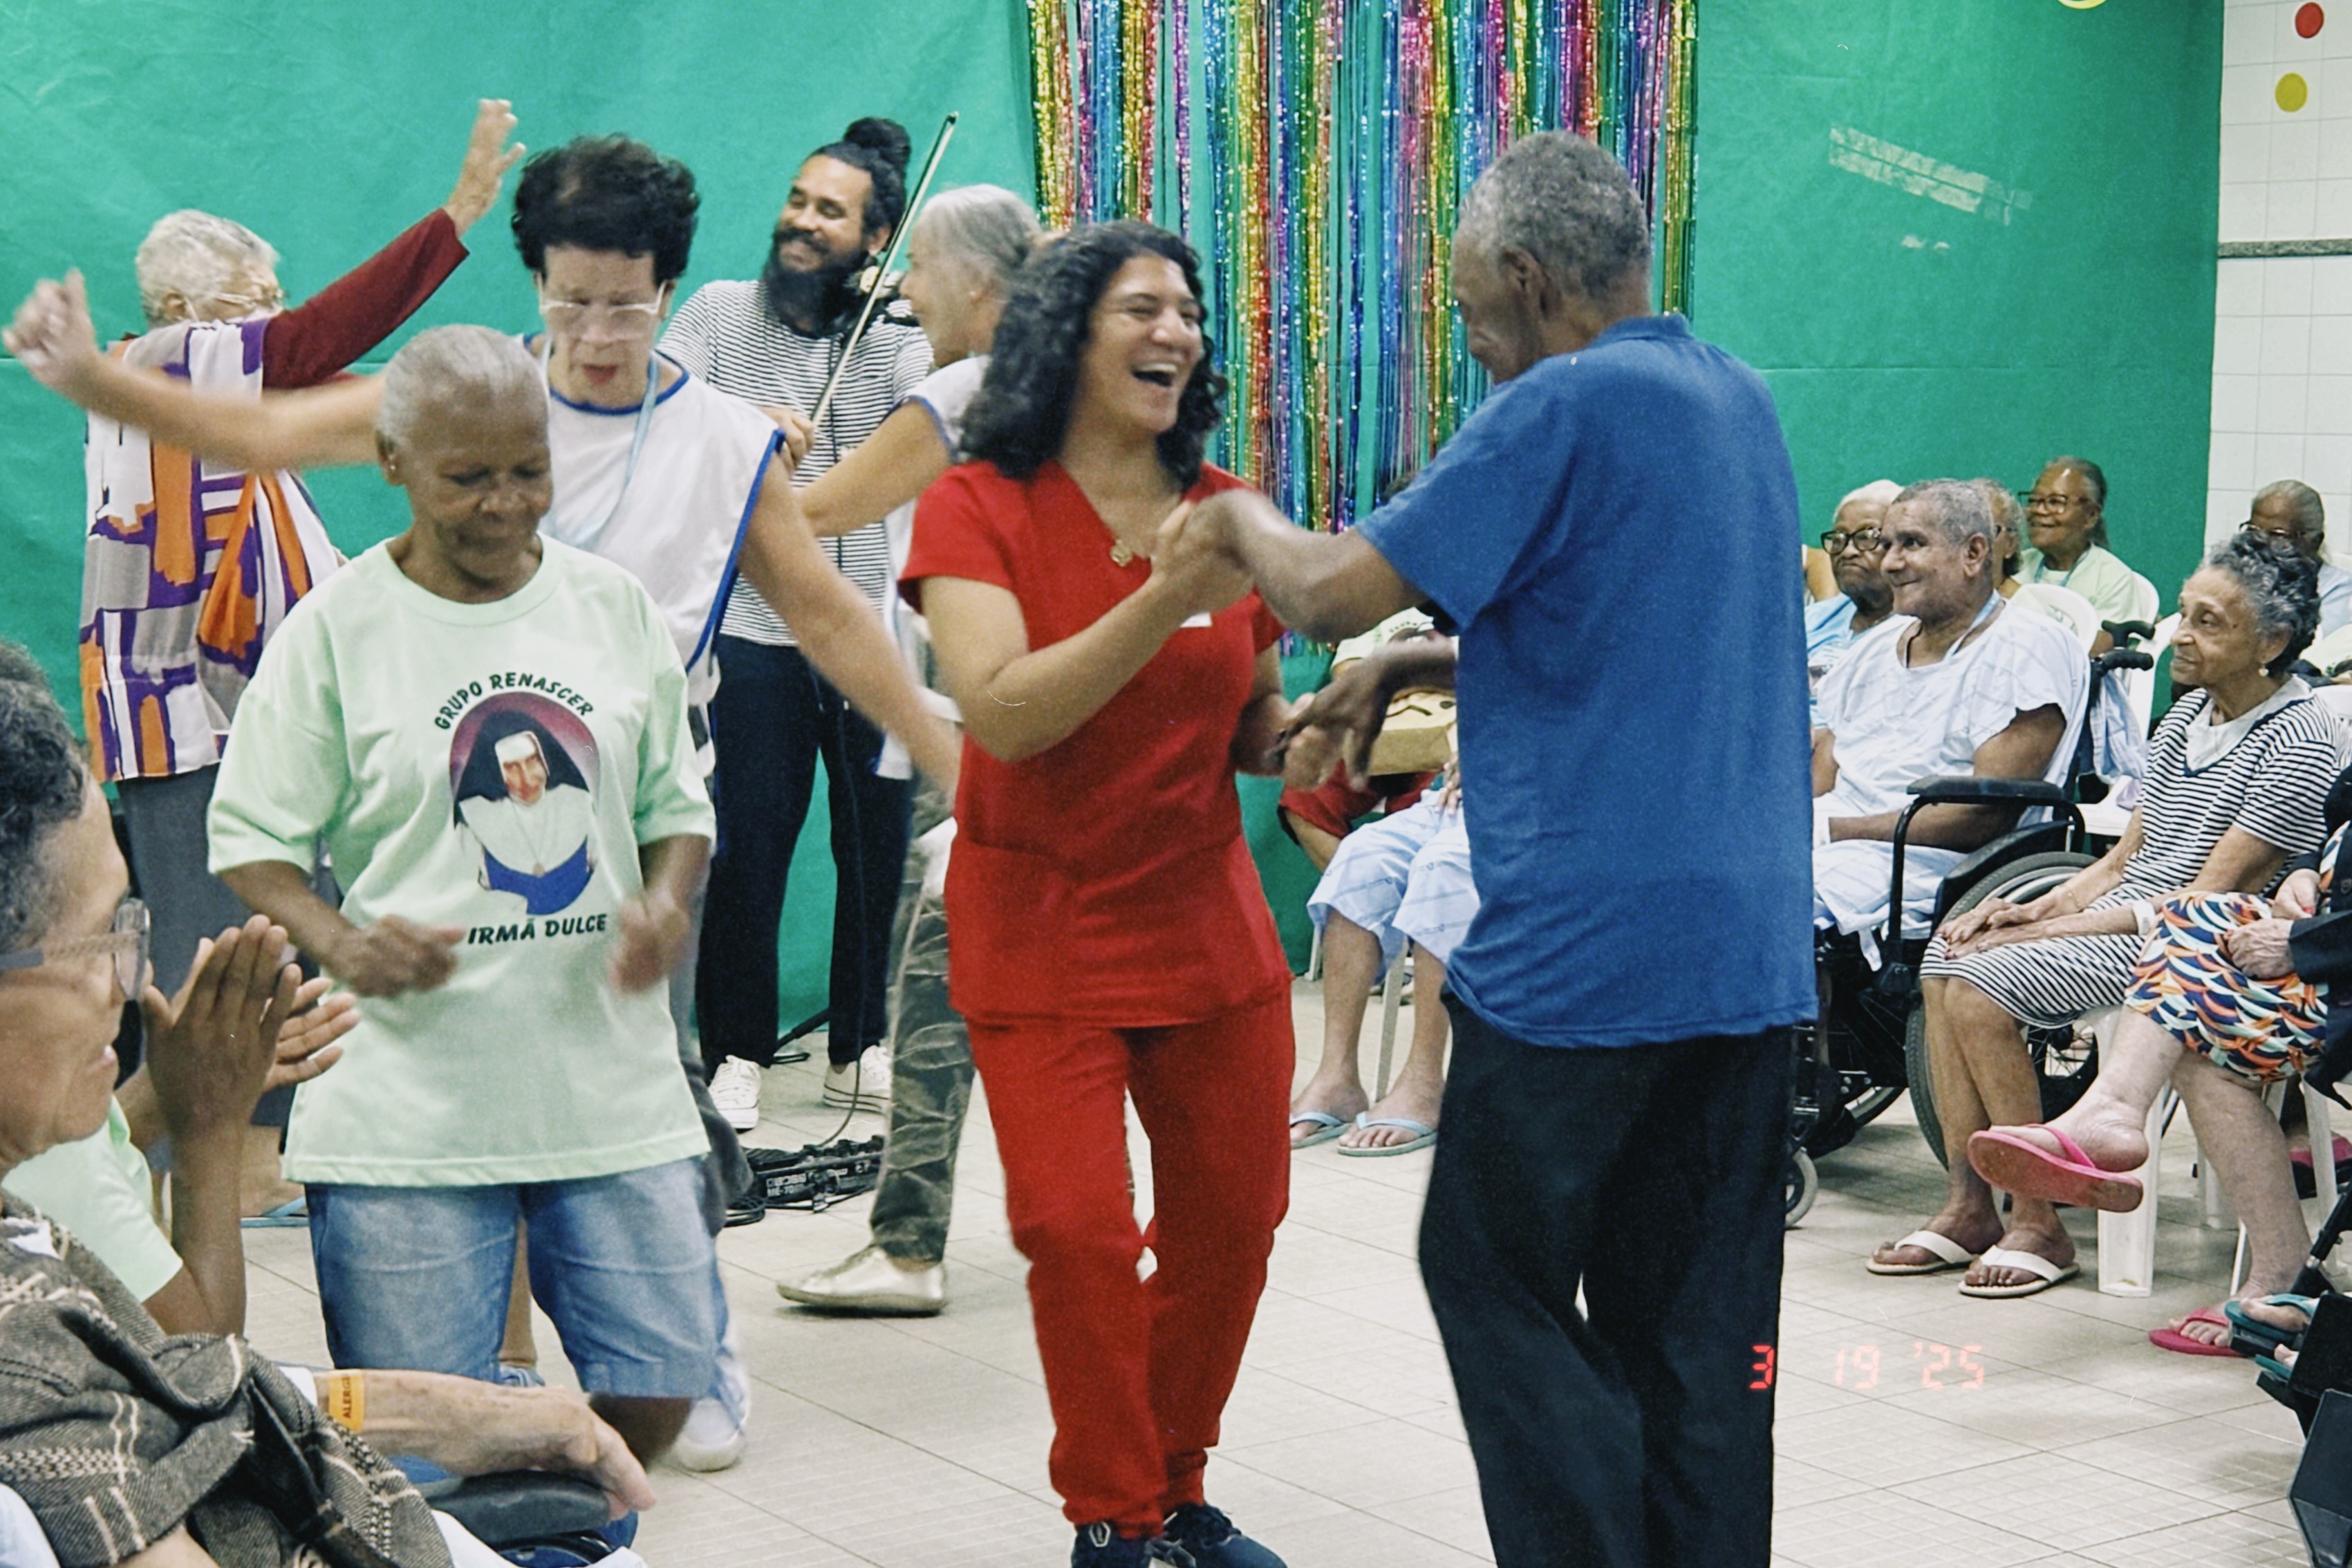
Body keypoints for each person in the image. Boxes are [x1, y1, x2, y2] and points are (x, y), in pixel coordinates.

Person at [6, 134, 961, 1471]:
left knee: (626, 1095)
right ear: (537, 287)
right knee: (454, 1094)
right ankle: (498, 1373)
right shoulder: (465, 397)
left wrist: (950, 754)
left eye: (623, 305)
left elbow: (826, 614)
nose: (594, 334)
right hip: (436, 798)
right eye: (568, 302)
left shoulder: (716, 442)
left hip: (623, 820)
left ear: (668, 291)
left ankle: (670, 1346)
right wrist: (95, 376)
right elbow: (262, 422)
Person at [1170, 131, 1813, 1568]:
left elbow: (1333, 581)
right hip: (1749, 959)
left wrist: (1231, 515)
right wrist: (1418, 668)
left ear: (1528, 278)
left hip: (1590, 959)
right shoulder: (1736, 400)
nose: (1477, 350)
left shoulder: (1564, 403)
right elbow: (1629, 632)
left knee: (1489, 1271)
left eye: (1470, 315)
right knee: (1694, 1333)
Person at [0, 636, 660, 1568]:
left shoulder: (26, 1222)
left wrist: (445, 1410)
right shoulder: (23, 1353)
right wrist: (208, 1127)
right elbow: (192, 1347)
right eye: (98, 940)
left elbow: (179, 1381)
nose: (126, 980)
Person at [195, 326, 725, 1470]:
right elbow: (251, 838)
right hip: (407, 1114)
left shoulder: (611, 607)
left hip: (607, 1090)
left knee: (666, 1388)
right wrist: (344, 938)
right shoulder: (336, 627)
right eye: (467, 476)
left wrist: (664, 904)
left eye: (527, 468)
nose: (505, 502)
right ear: (394, 461)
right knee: (423, 1458)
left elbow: (676, 806)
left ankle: (575, 1525)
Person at [902, 221, 1296, 1568]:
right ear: (1065, 333)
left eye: (1188, 310)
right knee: (1076, 1239)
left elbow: (1255, 724)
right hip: (1043, 933)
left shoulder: (1233, 505)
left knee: (1234, 1230)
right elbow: (1003, 716)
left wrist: (1349, 737)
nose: (1175, 332)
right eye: (1141, 308)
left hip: (1209, 932)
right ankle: (1114, 1521)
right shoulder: (977, 506)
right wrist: (1166, 591)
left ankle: (1176, 1491)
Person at [77, 101, 521, 1220]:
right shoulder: (169, 359)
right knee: (209, 942)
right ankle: (201, 1166)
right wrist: (454, 218)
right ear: (189, 310)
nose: (273, 322)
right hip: (189, 716)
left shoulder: (206, 401)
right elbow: (320, 343)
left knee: (266, 932)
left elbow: (338, 395)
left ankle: (252, 1152)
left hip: (240, 716)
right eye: (254, 306)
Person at [1873, 532, 2346, 1295]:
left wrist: (2045, 929)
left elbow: (2202, 897)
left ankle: (2039, 1222)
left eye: (2209, 621)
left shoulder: (2301, 737)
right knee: (1947, 958)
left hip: (2201, 941)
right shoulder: (2185, 715)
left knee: (1982, 985)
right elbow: (2122, 864)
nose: (2180, 636)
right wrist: (2022, 907)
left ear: (2275, 641)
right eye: (2183, 614)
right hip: (2133, 912)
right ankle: (1969, 1207)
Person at [764, 185, 1043, 1318]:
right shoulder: (1059, 377)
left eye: (919, 266)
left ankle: (907, 1242)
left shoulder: (971, 387)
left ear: (977, 284)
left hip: (983, 732)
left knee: (932, 985)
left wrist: (760, 458)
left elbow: (820, 510)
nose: (903, 288)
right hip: (1030, 722)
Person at [666, 118, 940, 1117]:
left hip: (866, 624)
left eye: (829, 212)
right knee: (746, 844)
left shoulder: (896, 335)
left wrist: (914, 311)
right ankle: (736, 1051)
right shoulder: (717, 311)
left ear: (874, 241)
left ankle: (859, 1040)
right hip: (749, 622)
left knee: (873, 847)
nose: (800, 222)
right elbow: (658, 400)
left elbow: (942, 411)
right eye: (797, 200)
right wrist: (742, 427)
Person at [1963, 790, 2352, 1352]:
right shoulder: (2180, 731)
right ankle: (2113, 1110)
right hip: (2324, 944)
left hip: (2332, 965)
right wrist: (2311, 872)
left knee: (2195, 1013)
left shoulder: (2295, 736)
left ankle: (2113, 1113)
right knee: (2191, 927)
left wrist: (2304, 944)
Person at [1809, 481, 2086, 947]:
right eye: (1887, 544)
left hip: (1926, 862)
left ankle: (1793, 1018)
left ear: (1974, 553)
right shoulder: (1876, 646)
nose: (1890, 562)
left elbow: (1984, 818)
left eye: (1912, 543)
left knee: (1773, 900)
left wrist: (1830, 832)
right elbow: (1827, 770)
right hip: (1837, 842)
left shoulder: (2027, 650)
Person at [1285, 767, 1470, 1154]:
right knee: (1361, 854)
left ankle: (1424, 1082)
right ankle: (1338, 1078)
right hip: (1463, 796)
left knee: (1441, 865)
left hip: (1549, 801)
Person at [1271, 608, 1441, 872]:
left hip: (1449, 742)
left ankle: (1414, 898)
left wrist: (1390, 681)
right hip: (1378, 741)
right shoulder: (1384, 605)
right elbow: (1349, 677)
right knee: (1305, 798)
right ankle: (1367, 895)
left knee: (1421, 806)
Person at [1804, 480, 1898, 719]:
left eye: (1867, 537)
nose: (1848, 551)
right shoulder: (1813, 620)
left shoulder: (1920, 632)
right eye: (1839, 538)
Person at [2015, 456, 2145, 624]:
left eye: (2055, 502)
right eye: (2033, 500)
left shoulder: (2113, 579)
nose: (2039, 510)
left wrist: (2014, 592)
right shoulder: (2015, 566)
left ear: (2091, 516)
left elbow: (2097, 647)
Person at [2241, 478, 2352, 637]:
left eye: (2276, 535)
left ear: (2314, 541)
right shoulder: (2238, 577)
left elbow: (2314, 650)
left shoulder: (2341, 593)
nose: (2259, 543)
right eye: (2252, 531)